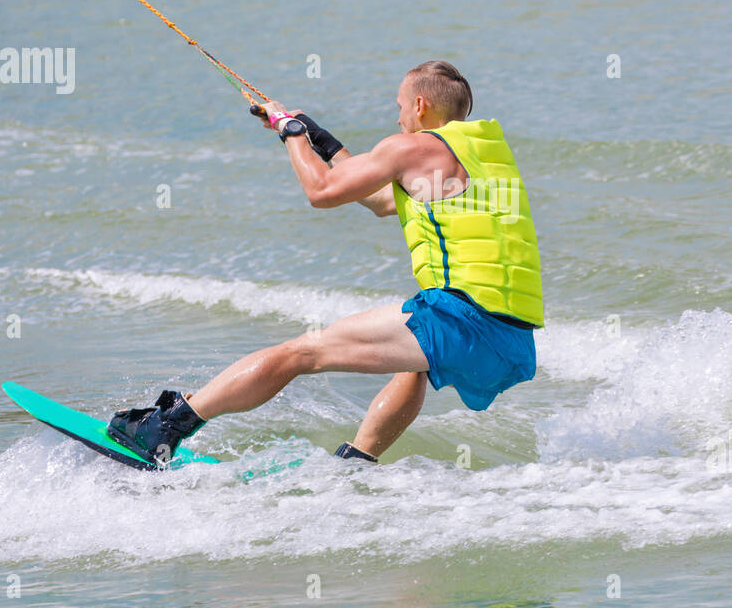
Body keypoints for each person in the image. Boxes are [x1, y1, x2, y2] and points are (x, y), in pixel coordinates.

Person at [107, 60, 544, 465]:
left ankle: (166, 427)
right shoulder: (487, 157)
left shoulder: (412, 147)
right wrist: (322, 139)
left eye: (399, 108)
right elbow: (375, 198)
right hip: (510, 341)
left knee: (302, 351)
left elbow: (322, 193)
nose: (397, 120)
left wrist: (291, 133)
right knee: (414, 364)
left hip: (463, 320)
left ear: (419, 104)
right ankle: (357, 462)